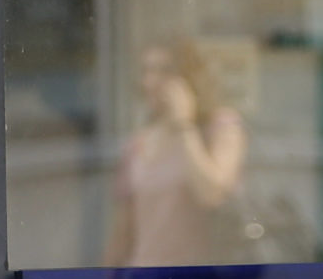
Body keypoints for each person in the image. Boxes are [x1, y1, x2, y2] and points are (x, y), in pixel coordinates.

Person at [105, 40, 250, 266]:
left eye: (164, 71)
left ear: (189, 77)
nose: (151, 82)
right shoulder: (139, 144)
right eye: (147, 71)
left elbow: (211, 194)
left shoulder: (221, 127)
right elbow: (123, 235)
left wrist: (184, 125)